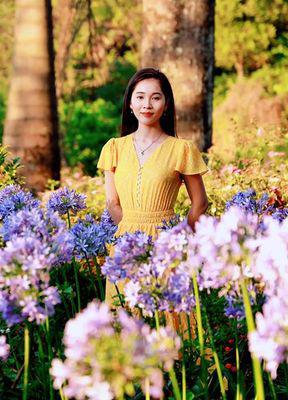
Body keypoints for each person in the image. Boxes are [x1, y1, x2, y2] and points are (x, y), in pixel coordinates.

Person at [97, 67, 209, 312]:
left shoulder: (182, 149)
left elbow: (200, 203)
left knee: (166, 318)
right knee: (125, 315)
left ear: (166, 105)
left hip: (166, 245)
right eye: (140, 96)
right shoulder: (114, 147)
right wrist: (130, 231)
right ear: (129, 103)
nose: (147, 104)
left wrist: (177, 238)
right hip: (125, 245)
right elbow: (112, 202)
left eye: (155, 97)